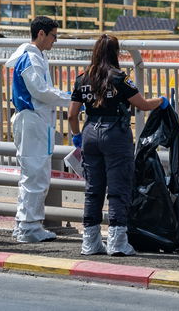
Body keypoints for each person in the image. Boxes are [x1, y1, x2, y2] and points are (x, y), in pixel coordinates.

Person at [67, 34, 170, 257]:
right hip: (115, 134)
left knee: (93, 189)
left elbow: (72, 115)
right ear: (115, 53)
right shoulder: (119, 78)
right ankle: (116, 242)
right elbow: (143, 105)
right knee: (118, 188)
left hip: (90, 133)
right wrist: (161, 101)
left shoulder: (82, 78)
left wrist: (77, 137)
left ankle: (90, 243)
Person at [6, 16, 72, 243]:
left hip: (35, 121)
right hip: (32, 120)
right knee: (35, 175)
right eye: (53, 36)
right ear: (41, 33)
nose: (55, 40)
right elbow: (41, 91)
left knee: (33, 174)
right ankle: (29, 226)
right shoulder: (30, 59)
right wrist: (70, 99)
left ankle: (25, 224)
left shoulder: (35, 57)